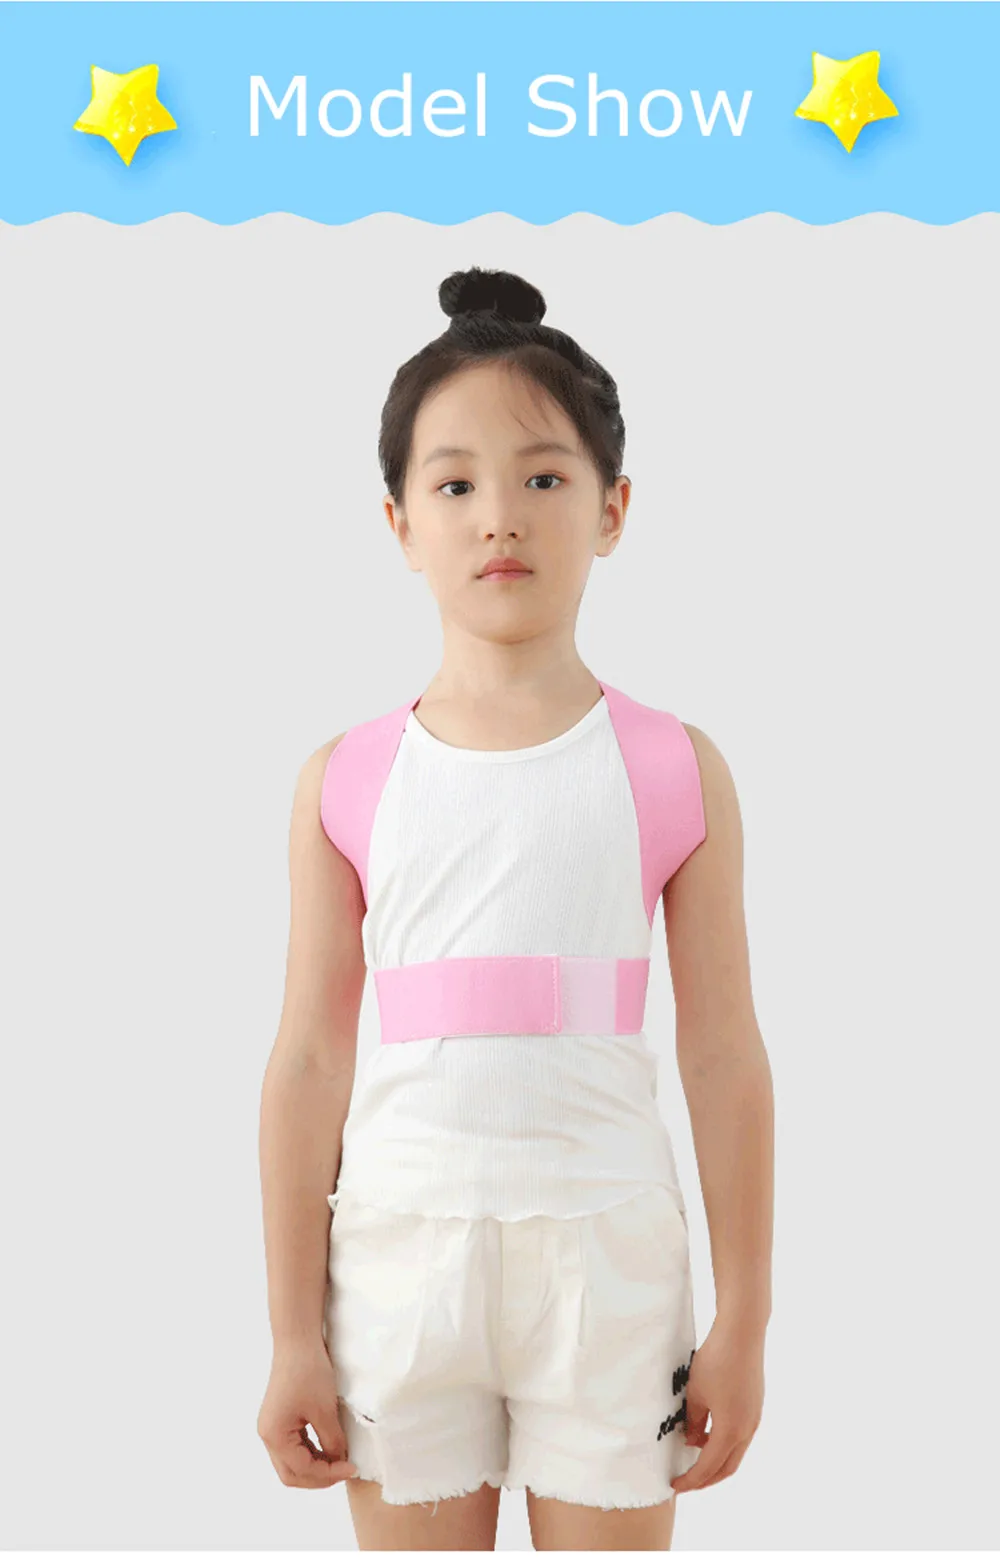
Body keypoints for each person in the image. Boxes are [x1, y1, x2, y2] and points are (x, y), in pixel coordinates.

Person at [257, 266, 774, 1552]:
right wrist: (288, 1333)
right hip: (399, 1265)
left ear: (612, 508)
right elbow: (309, 1057)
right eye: (455, 485)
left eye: (544, 477)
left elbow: (722, 1054)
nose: (500, 517)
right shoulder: (346, 778)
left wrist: (746, 1318)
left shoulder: (672, 767)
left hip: (608, 1268)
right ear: (399, 522)